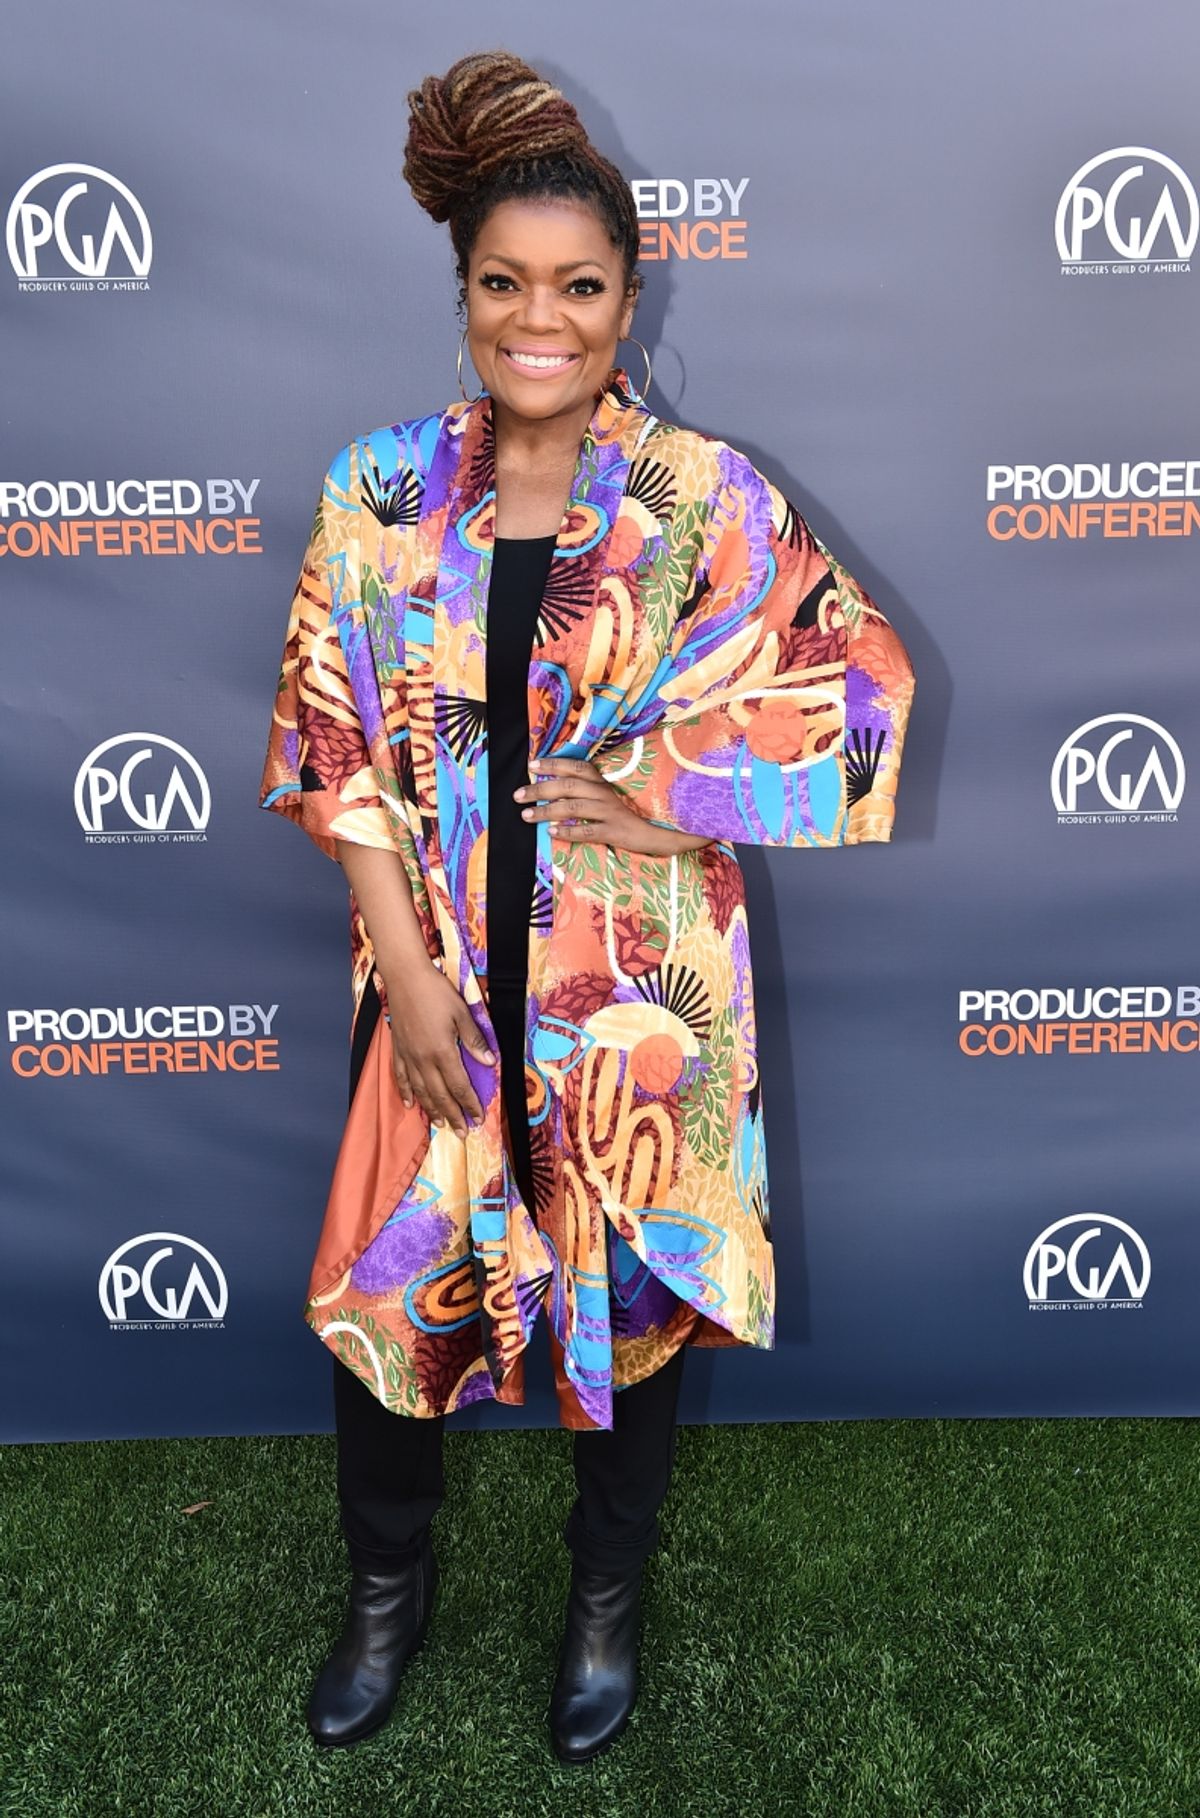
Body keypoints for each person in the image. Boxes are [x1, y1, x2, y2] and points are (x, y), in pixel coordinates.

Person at [260, 48, 915, 1765]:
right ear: (463, 291)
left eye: (577, 287)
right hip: (432, 987)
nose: (535, 319)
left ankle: (602, 1602)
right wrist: (403, 979)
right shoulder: (380, 486)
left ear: (629, 302)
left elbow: (857, 685)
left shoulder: (704, 498)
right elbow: (333, 748)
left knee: (634, 1303)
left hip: (635, 1001)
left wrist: (668, 786)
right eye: (501, 283)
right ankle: (383, 1594)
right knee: (391, 1305)